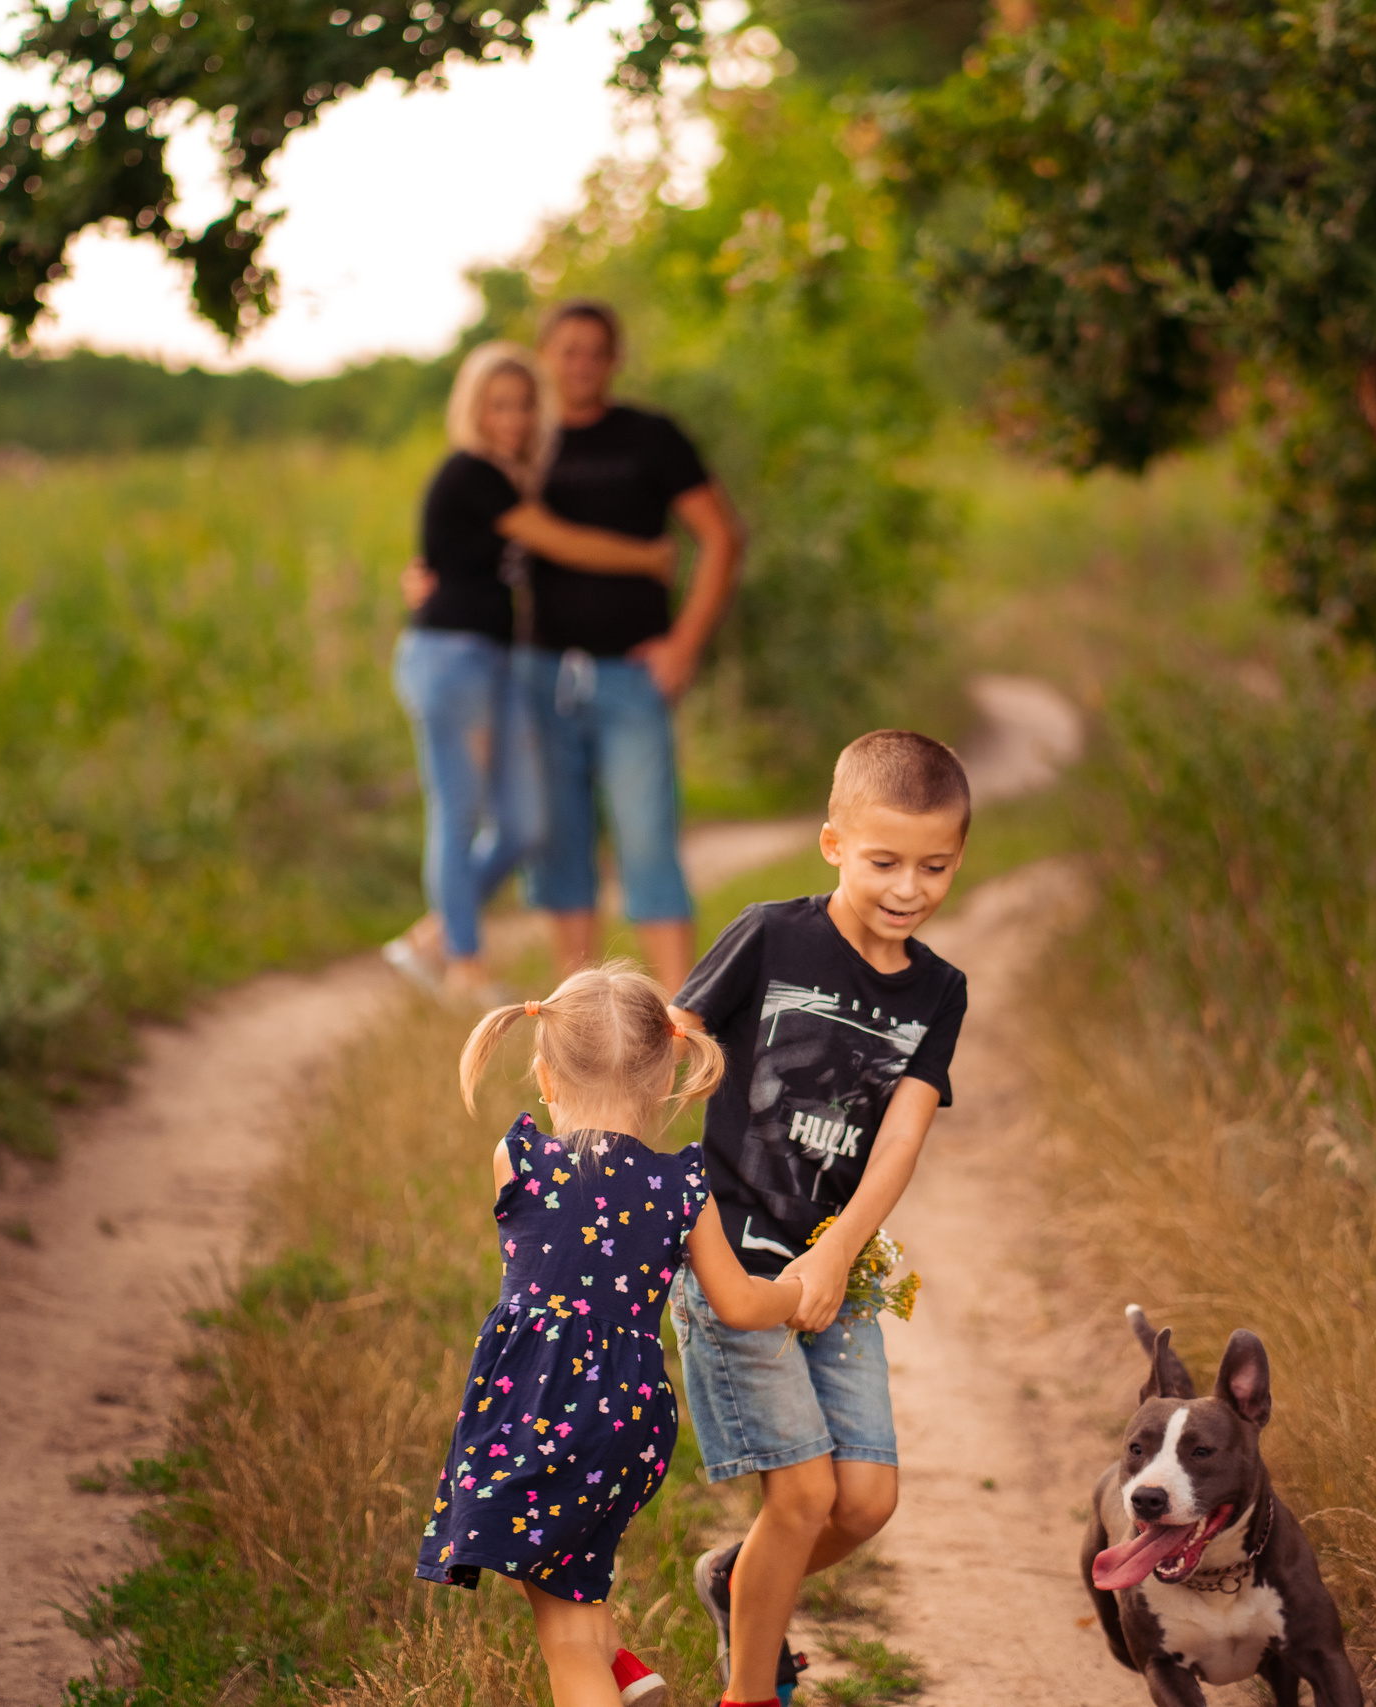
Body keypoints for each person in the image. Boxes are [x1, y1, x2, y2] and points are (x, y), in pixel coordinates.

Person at [664, 731, 974, 1707]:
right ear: (833, 843)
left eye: (935, 866)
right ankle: (751, 1693)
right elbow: (675, 1046)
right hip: (733, 1257)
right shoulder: (771, 936)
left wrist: (838, 1250)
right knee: (800, 1498)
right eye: (885, 862)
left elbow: (898, 1140)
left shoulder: (938, 991)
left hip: (834, 1264)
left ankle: (734, 1579)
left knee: (864, 1502)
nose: (908, 888)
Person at [418, 964, 802, 1707]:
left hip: (535, 1408)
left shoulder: (517, 1158)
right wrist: (797, 1291)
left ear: (544, 1074)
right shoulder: (682, 1186)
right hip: (628, 1419)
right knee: (573, 1582)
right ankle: (621, 1668)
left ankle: (602, 1674)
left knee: (560, 1639)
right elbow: (739, 1303)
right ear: (664, 1080)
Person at [387, 342, 679, 1001]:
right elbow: (560, 542)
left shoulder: (509, 477)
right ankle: (464, 963)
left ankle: (428, 938)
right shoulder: (472, 471)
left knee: (526, 824)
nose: (512, 419)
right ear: (473, 408)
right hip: (451, 656)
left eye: (522, 405)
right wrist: (649, 558)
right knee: (458, 808)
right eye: (498, 405)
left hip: (496, 660)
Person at [521, 300, 744, 992]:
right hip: (540, 674)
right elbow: (472, 532)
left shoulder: (650, 436)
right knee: (561, 850)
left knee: (647, 841)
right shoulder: (524, 441)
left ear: (614, 360)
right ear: (545, 356)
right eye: (568, 350)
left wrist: (685, 642)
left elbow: (721, 536)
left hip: (630, 680)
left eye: (596, 351)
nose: (582, 363)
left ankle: (680, 1017)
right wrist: (425, 580)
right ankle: (574, 1022)